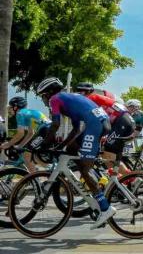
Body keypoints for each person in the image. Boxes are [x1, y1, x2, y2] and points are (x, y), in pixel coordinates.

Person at [35, 77, 116, 227]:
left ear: (49, 93)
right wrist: (61, 146)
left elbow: (55, 124)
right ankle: (93, 183)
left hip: (94, 125)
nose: (43, 100)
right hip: (100, 122)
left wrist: (44, 144)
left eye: (43, 96)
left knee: (85, 170)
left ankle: (105, 208)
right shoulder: (68, 98)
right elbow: (76, 129)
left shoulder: (55, 99)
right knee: (71, 149)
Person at [74, 83, 135, 173]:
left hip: (122, 121)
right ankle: (119, 178)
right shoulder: (94, 98)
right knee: (108, 156)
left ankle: (131, 178)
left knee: (108, 154)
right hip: (124, 120)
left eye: (79, 93)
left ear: (85, 93)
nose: (77, 96)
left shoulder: (90, 99)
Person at [1, 96, 51, 172]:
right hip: (48, 129)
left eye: (10, 107)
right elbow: (31, 133)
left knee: (27, 155)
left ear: (16, 107)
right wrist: (20, 146)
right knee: (31, 154)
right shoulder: (27, 113)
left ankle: (36, 177)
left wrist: (8, 144)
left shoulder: (20, 113)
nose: (9, 110)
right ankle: (51, 171)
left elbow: (20, 134)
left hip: (45, 130)